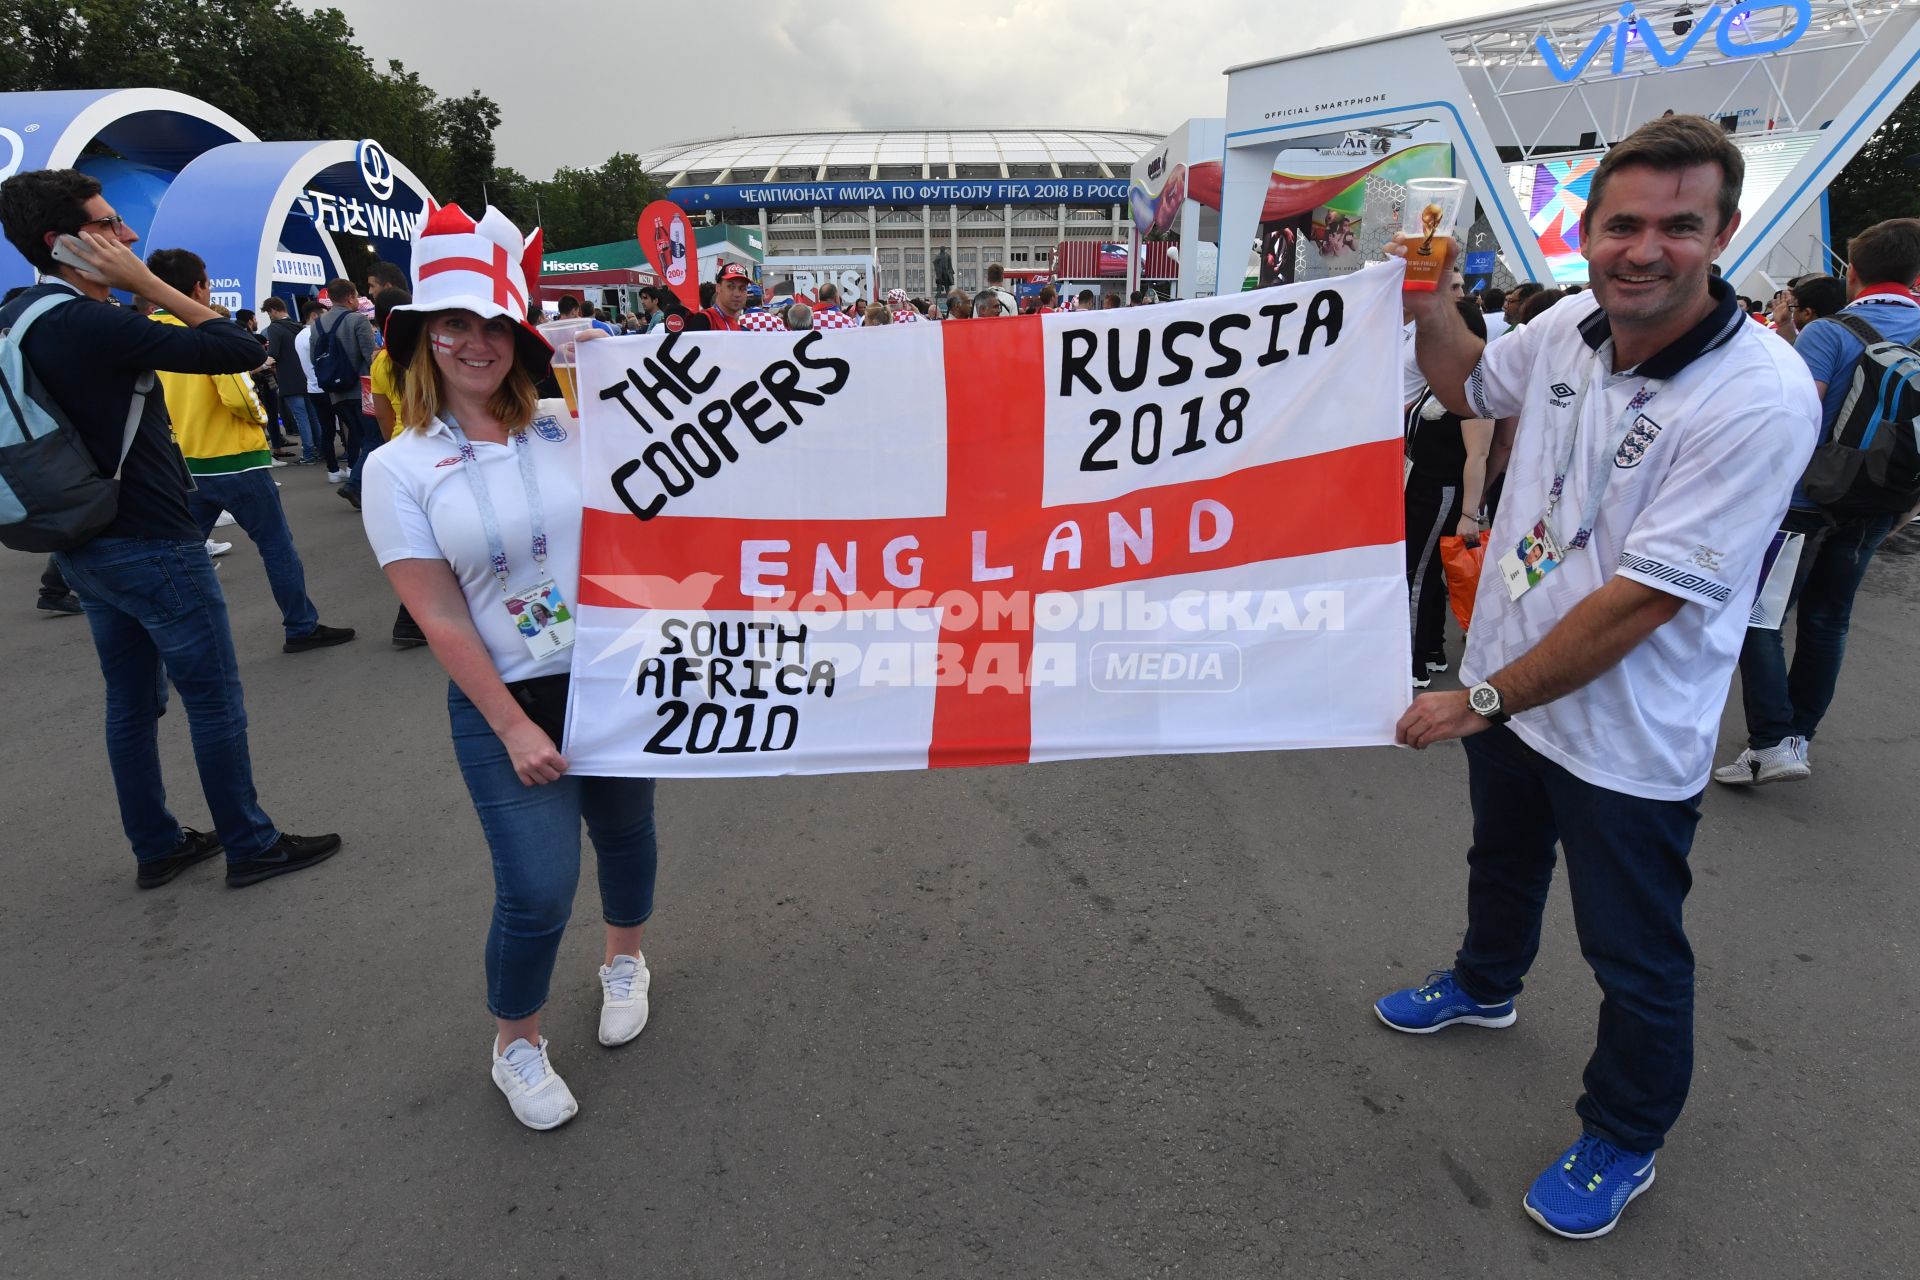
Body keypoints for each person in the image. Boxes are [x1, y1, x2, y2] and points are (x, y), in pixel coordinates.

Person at [1382, 114, 1819, 1240]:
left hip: (1626, 730)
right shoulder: (1574, 323)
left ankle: (1624, 1132)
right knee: (1504, 855)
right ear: (1588, 234)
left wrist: (1480, 694)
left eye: (1681, 225)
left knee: (1633, 951)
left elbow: (1644, 599)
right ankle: (1487, 982)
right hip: (1513, 691)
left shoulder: (1757, 396)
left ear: (1723, 233)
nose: (1646, 248)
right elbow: (1473, 385)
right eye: (1625, 223)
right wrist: (1429, 300)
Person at [362, 202, 660, 1131]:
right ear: (422, 338)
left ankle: (625, 958)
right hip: (508, 697)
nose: (476, 343)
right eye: (453, 324)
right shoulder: (399, 468)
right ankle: (515, 1043)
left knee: (627, 836)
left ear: (521, 338)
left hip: (612, 677)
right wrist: (512, 722)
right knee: (534, 886)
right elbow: (437, 610)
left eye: (494, 324)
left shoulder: (578, 425)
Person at [0, 167, 342, 889]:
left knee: (129, 703)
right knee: (212, 696)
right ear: (64, 244)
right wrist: (153, 288)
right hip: (151, 537)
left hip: (81, 535)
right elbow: (240, 351)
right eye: (107, 226)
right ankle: (251, 843)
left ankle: (156, 844)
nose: (127, 237)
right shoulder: (91, 322)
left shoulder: (18, 314)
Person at [1714, 219, 1920, 787]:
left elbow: (1796, 416)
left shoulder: (1830, 332)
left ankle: (1771, 741)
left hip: (1808, 498)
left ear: (1853, 274)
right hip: (1883, 500)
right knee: (1831, 619)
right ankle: (1798, 735)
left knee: (1759, 614)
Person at [144, 249, 353, 654]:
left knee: (179, 558)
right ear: (199, 287)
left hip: (181, 463)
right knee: (277, 549)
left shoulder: (145, 335)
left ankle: (169, 646)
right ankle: (300, 625)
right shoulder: (207, 331)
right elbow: (238, 395)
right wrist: (259, 420)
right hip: (236, 461)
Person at [1404, 298, 1496, 687]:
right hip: (1423, 486)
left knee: (1419, 575)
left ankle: (1412, 662)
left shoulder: (1478, 385)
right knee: (1426, 573)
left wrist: (1468, 513)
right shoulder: (1442, 378)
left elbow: (1479, 455)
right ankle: (1431, 651)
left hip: (1441, 493)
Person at [314, 278, 376, 487]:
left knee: (358, 435)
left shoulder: (317, 325)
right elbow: (371, 358)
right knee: (373, 437)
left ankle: (359, 481)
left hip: (335, 392)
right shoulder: (358, 320)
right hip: (362, 389)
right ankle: (357, 484)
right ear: (350, 297)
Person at [700, 262, 751, 331]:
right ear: (718, 287)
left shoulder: (741, 329)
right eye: (731, 286)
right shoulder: (704, 320)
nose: (737, 294)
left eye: (742, 288)